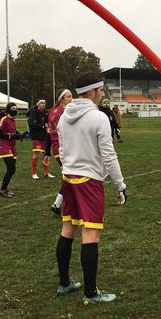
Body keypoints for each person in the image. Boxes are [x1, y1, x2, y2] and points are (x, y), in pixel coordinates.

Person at [54, 72, 127, 305]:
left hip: (69, 179)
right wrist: (120, 185)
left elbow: (62, 150)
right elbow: (109, 155)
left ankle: (64, 283)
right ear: (93, 91)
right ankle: (91, 293)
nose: (103, 94)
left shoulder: (65, 115)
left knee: (67, 230)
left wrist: (68, 169)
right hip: (89, 182)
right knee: (90, 234)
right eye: (101, 90)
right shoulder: (98, 118)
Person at [44, 88, 73, 214]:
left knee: (69, 177)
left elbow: (49, 133)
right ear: (62, 99)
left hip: (57, 148)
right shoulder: (64, 112)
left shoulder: (52, 111)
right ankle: (65, 208)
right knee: (71, 178)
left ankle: (57, 204)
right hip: (64, 148)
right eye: (69, 97)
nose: (72, 99)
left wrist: (47, 152)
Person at [0, 102, 22, 198]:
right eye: (12, 108)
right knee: (11, 168)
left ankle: (4, 189)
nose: (15, 110)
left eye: (16, 108)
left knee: (11, 170)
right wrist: (10, 136)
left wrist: (18, 135)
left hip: (12, 146)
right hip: (4, 146)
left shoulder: (13, 120)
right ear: (8, 109)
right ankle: (3, 190)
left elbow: (13, 131)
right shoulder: (4, 119)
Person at [27, 99, 49, 180]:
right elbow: (31, 123)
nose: (43, 104)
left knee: (45, 154)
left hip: (44, 136)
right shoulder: (34, 112)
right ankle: (34, 173)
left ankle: (46, 172)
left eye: (44, 103)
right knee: (36, 153)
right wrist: (41, 126)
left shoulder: (46, 112)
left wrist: (47, 125)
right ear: (38, 104)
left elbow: (47, 121)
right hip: (36, 136)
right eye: (42, 103)